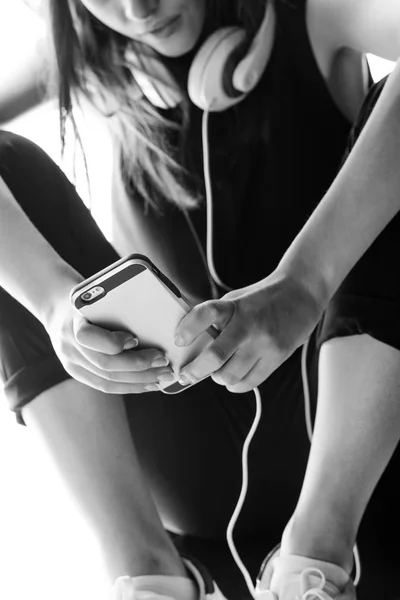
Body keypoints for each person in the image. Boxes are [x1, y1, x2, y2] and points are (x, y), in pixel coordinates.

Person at [0, 1, 400, 598]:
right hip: (190, 444)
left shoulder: (316, 16)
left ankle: (313, 559)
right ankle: (149, 576)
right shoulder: (95, 62)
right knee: (11, 169)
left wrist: (305, 282)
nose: (139, 7)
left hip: (361, 438)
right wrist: (56, 303)